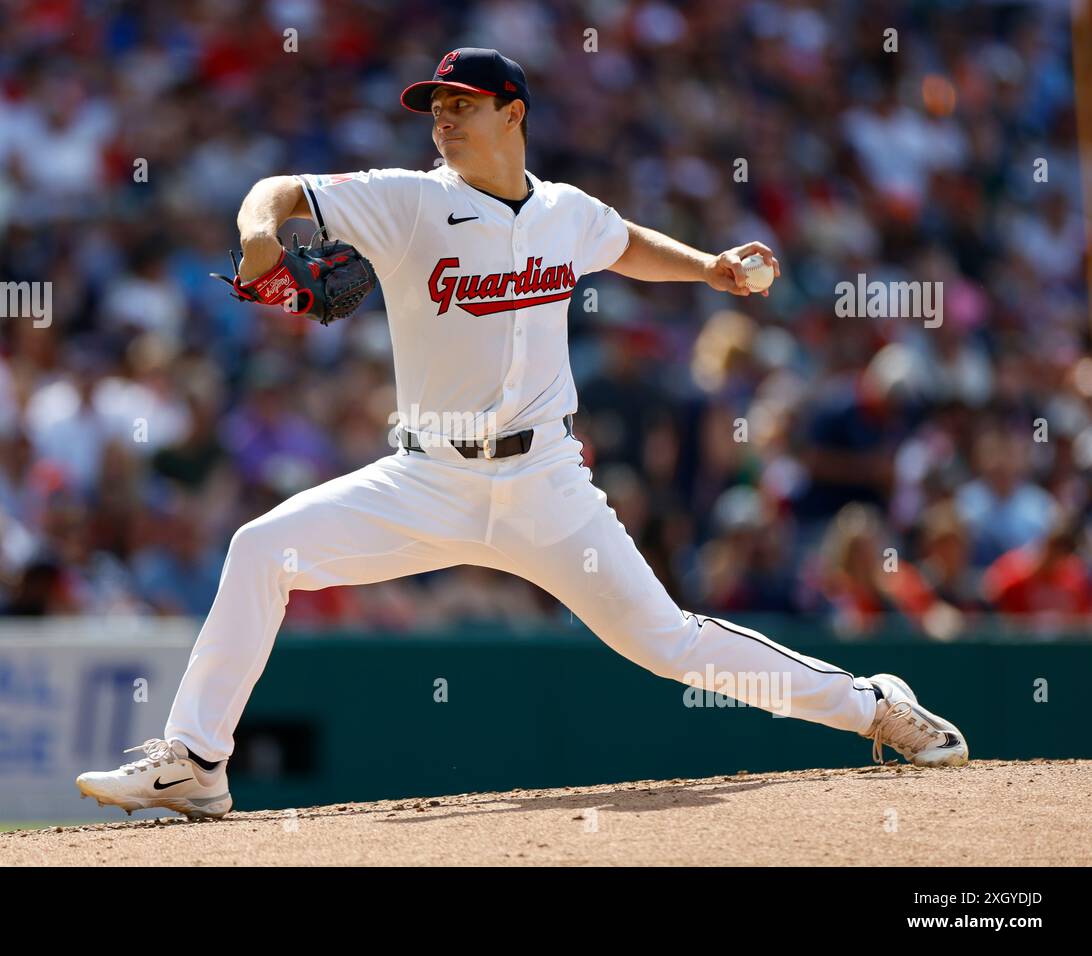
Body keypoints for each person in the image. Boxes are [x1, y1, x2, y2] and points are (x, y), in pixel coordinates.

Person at [76, 48, 967, 819]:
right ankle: (195, 765)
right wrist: (261, 239)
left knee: (668, 642)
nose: (444, 122)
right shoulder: (407, 203)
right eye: (436, 108)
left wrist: (712, 271)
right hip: (426, 480)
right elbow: (276, 193)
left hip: (546, 483)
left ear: (514, 114)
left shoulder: (564, 211)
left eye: (462, 106)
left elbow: (622, 244)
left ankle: (873, 703)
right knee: (260, 548)